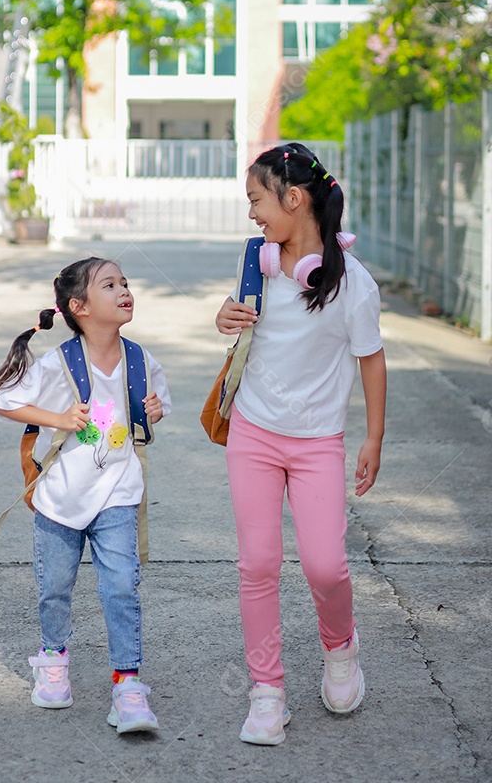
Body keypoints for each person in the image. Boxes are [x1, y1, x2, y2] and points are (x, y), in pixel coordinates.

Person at [216, 142, 386, 746]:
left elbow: (371, 359)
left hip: (317, 443)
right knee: (257, 564)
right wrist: (226, 319)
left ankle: (340, 647)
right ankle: (267, 692)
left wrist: (372, 437)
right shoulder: (254, 265)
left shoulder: (352, 286)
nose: (254, 214)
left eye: (258, 200)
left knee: (326, 565)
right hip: (255, 434)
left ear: (294, 198)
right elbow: (237, 328)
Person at [0, 256, 171, 734]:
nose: (125, 290)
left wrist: (152, 409)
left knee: (122, 587)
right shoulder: (58, 363)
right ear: (79, 306)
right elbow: (0, 400)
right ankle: (52, 661)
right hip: (61, 500)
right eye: (110, 284)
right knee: (55, 589)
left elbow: (157, 408)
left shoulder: (141, 360)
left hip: (118, 493)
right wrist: (59, 419)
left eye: (125, 282)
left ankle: (127, 685)